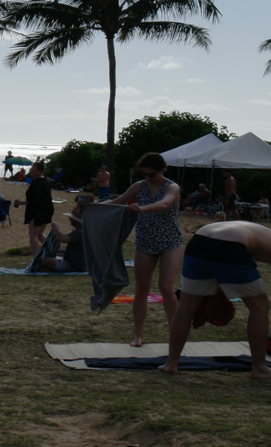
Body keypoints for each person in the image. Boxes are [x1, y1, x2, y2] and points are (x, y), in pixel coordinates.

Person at [158, 220, 271, 378]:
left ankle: (171, 363)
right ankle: (259, 368)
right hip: (231, 244)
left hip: (199, 241)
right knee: (260, 306)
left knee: (186, 307)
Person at [111, 152, 184, 348]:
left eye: (152, 174)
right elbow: (118, 200)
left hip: (171, 242)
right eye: (144, 174)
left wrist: (142, 208)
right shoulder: (139, 186)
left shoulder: (172, 187)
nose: (148, 177)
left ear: (163, 170)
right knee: (141, 289)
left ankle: (176, 334)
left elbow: (165, 203)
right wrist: (93, 207)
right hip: (145, 242)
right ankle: (138, 335)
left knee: (166, 287)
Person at [23, 163, 54, 254]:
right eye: (31, 169)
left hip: (39, 211)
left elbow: (34, 199)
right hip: (47, 209)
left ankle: (35, 258)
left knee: (33, 235)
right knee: (39, 235)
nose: (31, 171)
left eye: (33, 170)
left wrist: (21, 202)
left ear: (39, 171)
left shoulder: (37, 183)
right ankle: (53, 249)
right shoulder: (45, 181)